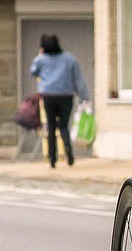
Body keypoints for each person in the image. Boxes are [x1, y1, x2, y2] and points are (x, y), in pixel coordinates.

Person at [29, 34, 91, 168]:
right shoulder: (70, 59)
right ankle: (69, 152)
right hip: (66, 96)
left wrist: (40, 55)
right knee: (63, 125)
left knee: (51, 127)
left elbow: (33, 71)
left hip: (48, 96)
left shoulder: (41, 60)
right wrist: (84, 97)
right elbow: (78, 79)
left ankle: (52, 158)